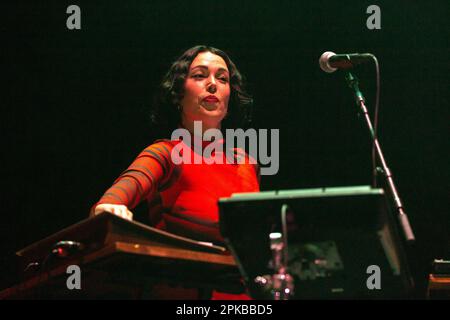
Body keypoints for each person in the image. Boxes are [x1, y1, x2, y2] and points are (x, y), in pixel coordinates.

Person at [91, 45, 260, 299]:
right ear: (179, 94)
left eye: (222, 78)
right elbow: (109, 204)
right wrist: (108, 209)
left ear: (229, 97)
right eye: (200, 75)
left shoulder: (248, 163)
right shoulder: (164, 152)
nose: (212, 84)